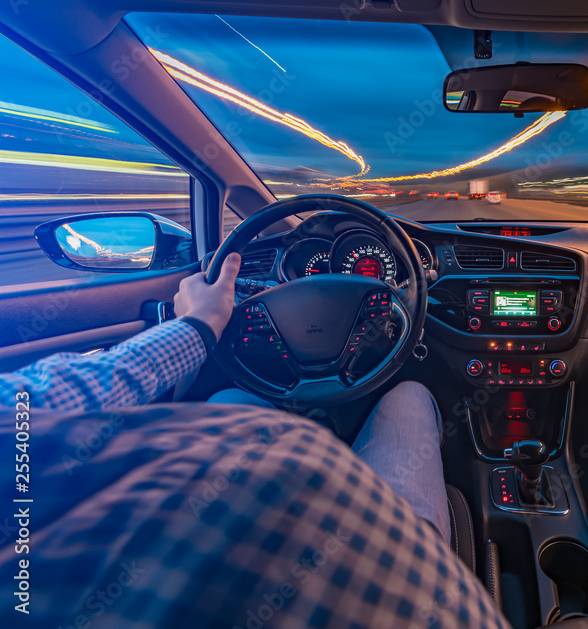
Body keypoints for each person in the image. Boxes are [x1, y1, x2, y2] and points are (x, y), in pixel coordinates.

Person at [0, 254, 508, 628]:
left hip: (209, 570)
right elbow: (62, 392)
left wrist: (199, 326)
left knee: (228, 397)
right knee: (410, 397)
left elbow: (45, 402)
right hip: (399, 577)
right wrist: (198, 325)